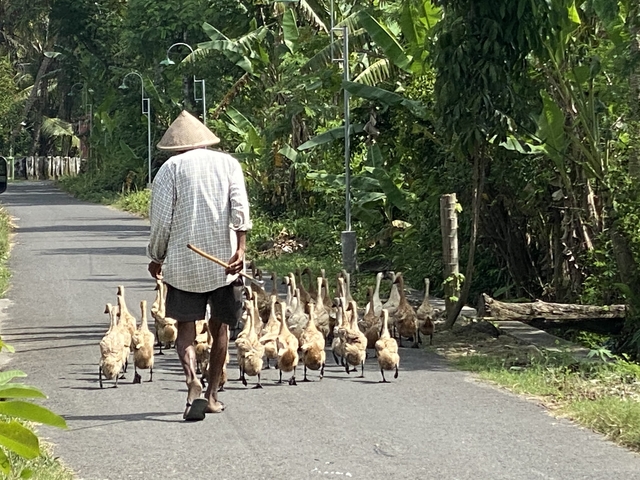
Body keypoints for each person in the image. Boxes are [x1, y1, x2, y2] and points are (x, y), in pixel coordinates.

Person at [147, 110, 251, 421]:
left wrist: (156, 256)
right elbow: (240, 209)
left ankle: (192, 379)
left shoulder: (169, 170)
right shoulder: (228, 164)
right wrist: (241, 249)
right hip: (223, 263)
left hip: (183, 263)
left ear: (177, 146)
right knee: (220, 327)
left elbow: (162, 222)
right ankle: (212, 395)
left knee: (185, 329)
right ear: (205, 142)